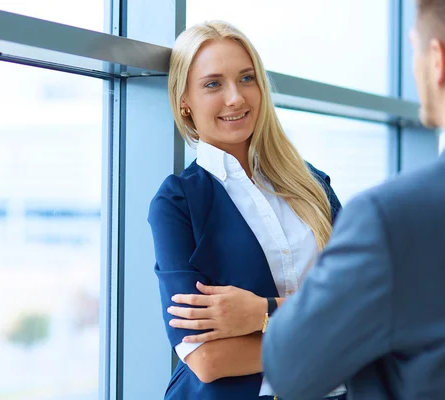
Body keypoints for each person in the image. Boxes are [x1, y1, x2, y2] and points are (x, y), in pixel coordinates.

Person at [255, 0, 445, 398]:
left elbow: (289, 366)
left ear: (437, 60)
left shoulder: (390, 218)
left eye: (414, 49)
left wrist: (265, 309)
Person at [148, 20, 345, 399]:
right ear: (184, 100)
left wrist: (261, 313)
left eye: (246, 79)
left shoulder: (313, 186)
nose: (235, 98)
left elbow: (363, 305)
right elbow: (207, 358)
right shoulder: (177, 203)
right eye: (213, 84)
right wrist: (326, 339)